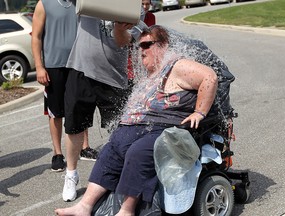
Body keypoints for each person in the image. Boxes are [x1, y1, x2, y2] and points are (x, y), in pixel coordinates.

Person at [55, 25, 218, 216]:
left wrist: (199, 112)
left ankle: (127, 210)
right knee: (110, 149)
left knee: (137, 152)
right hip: (139, 130)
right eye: (140, 46)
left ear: (163, 45)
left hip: (164, 130)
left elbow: (209, 77)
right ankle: (84, 207)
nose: (142, 50)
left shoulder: (177, 65)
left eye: (147, 45)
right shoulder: (152, 73)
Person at [61, 11, 148, 202]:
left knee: (120, 131)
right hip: (80, 69)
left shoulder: (131, 7)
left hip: (114, 79)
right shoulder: (88, 4)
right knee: (74, 127)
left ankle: (118, 177)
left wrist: (118, 27)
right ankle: (71, 174)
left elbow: (123, 41)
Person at [31, 0, 98, 172]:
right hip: (54, 66)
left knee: (80, 106)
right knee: (56, 111)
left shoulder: (81, 3)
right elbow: (36, 37)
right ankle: (57, 153)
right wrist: (39, 67)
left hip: (78, 64)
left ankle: (84, 147)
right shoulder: (44, 4)